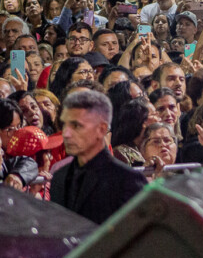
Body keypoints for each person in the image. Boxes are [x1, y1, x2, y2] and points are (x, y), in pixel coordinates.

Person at [50, 89, 146, 225]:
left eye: (76, 125)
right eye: (65, 124)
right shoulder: (60, 177)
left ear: (101, 129)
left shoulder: (127, 181)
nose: (66, 134)